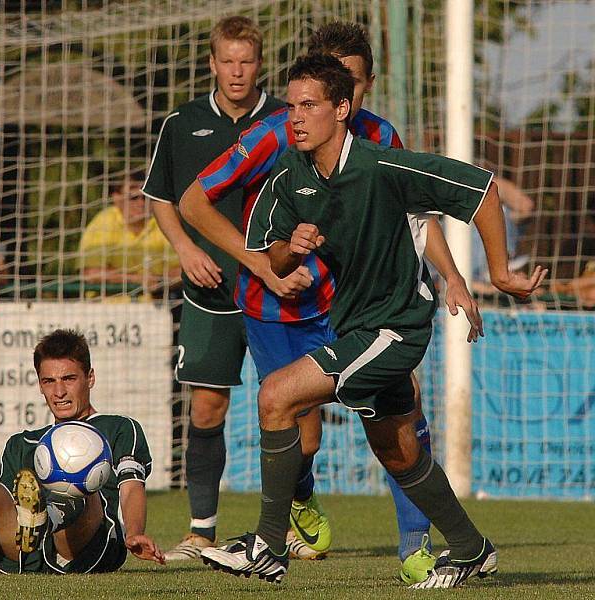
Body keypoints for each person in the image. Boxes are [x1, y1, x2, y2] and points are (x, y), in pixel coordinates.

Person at [199, 53, 546, 587]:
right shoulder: (290, 175)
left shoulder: (382, 164)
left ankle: (267, 548)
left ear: (342, 108)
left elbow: (483, 190)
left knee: (276, 395)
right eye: (290, 105)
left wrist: (497, 273)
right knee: (398, 450)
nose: (294, 116)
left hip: (397, 328)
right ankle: (472, 548)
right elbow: (273, 259)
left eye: (308, 105)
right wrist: (292, 249)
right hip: (356, 327)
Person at [141, 15, 310, 561]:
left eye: (247, 62)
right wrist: (186, 250)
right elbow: (164, 198)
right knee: (207, 409)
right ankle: (201, 529)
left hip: (277, 289)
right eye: (227, 62)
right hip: (209, 290)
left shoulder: (289, 123)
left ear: (260, 65)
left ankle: (295, 517)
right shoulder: (181, 123)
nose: (237, 72)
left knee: (299, 415)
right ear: (212, 64)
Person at [0, 328, 165, 574]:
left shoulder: (119, 428)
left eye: (69, 379)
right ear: (40, 385)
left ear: (90, 378)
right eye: (49, 381)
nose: (59, 391)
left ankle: (46, 518)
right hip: (27, 551)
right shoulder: (22, 443)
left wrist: (133, 533)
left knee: (77, 484)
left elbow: (131, 487)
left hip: (88, 546)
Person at [79, 170, 179, 299]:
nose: (140, 203)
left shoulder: (163, 222)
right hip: (107, 311)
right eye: (133, 197)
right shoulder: (103, 223)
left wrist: (159, 280)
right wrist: (136, 279)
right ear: (116, 197)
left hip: (158, 310)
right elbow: (91, 274)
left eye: (145, 197)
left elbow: (182, 268)